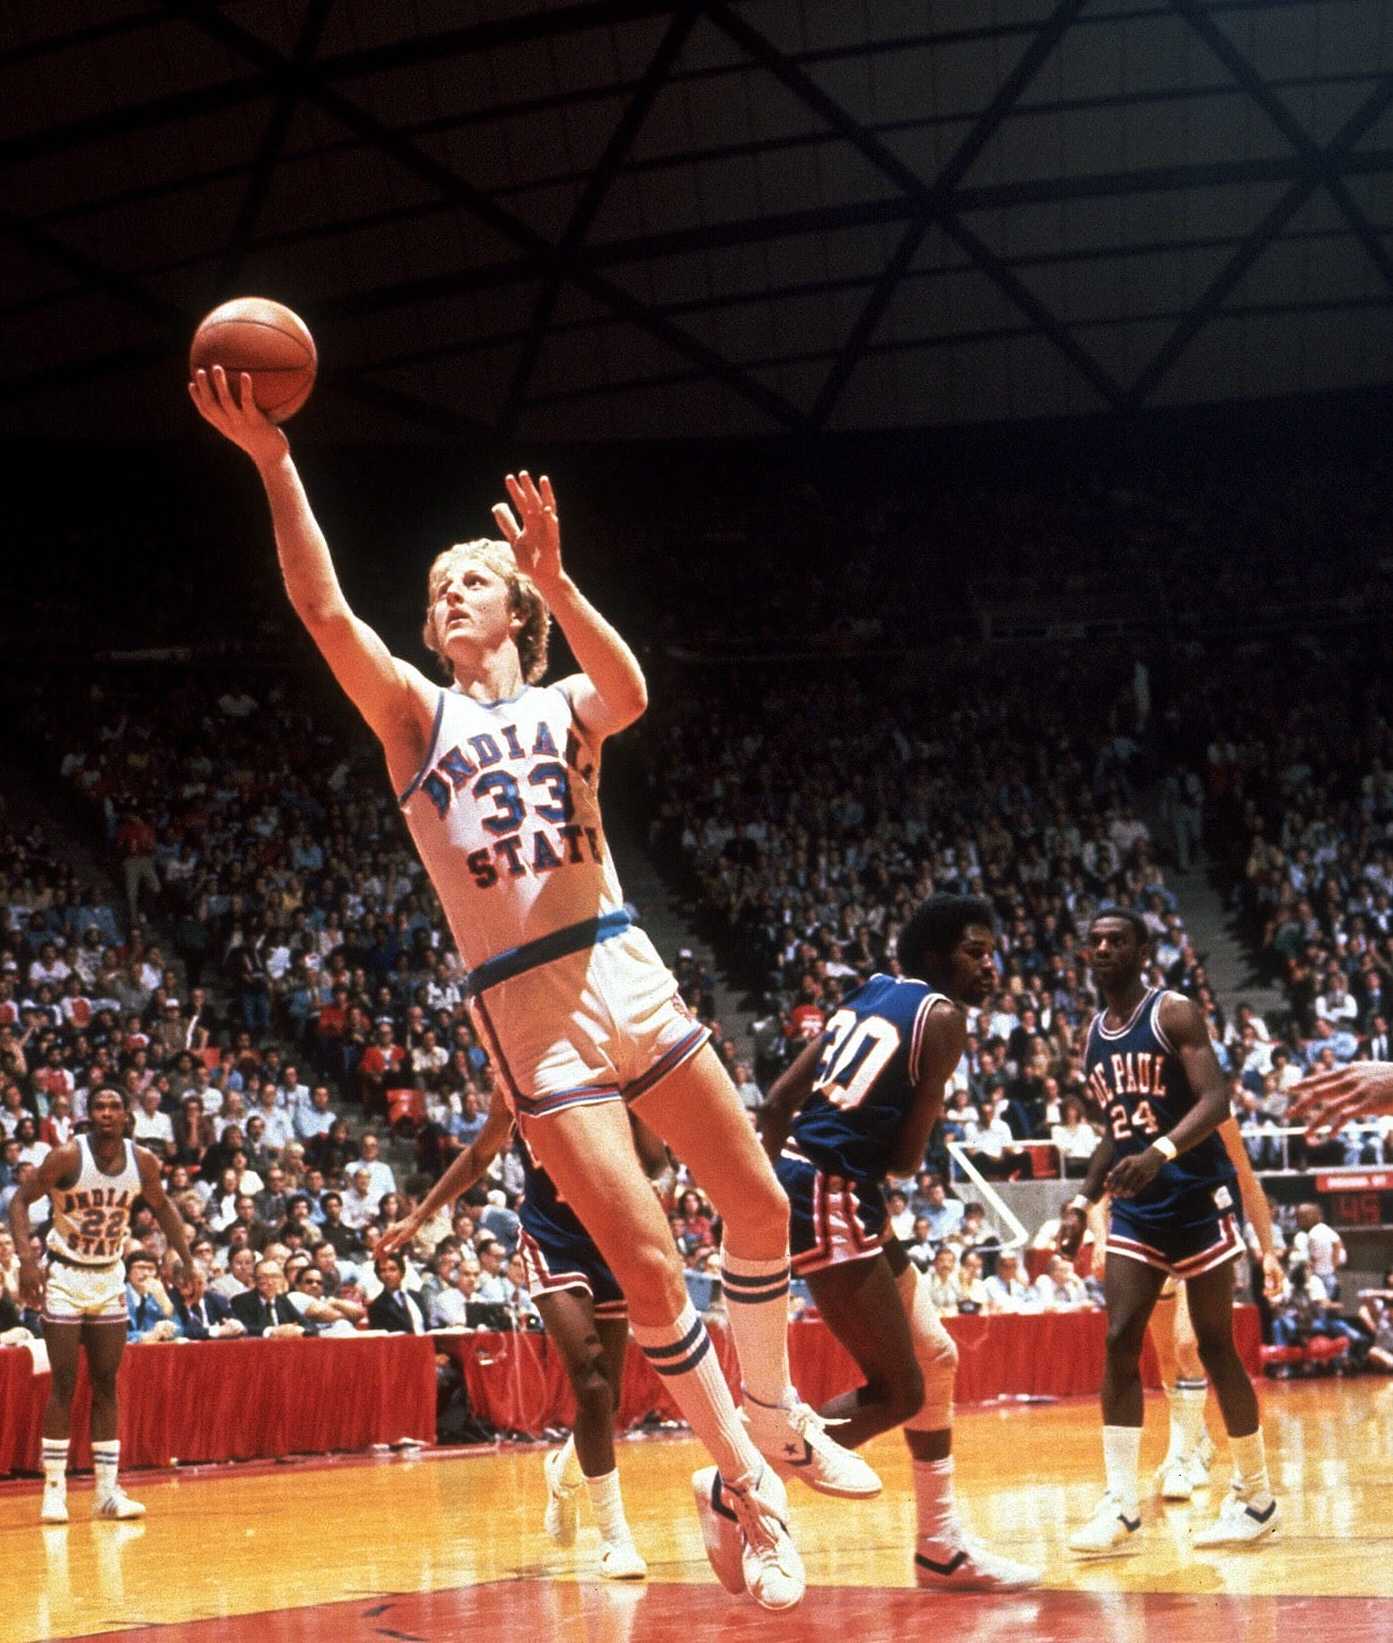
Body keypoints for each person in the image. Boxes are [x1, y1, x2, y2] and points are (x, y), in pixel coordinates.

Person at [194, 364, 877, 1613]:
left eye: (470, 581)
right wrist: (274, 461)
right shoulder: (413, 717)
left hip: (624, 960)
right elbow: (322, 605)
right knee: (655, 1267)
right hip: (525, 1005)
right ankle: (753, 1494)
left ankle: (772, 1422)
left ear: (513, 607)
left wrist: (561, 574)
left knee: (764, 1209)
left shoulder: (568, 696)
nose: (446, 595)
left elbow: (631, 693)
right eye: (438, 585)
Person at [754, 894, 1039, 1593]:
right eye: (977, 953)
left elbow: (776, 1103)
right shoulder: (943, 1019)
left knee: (936, 1356)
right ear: (938, 957)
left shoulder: (873, 991)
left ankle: (940, 1549)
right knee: (900, 1390)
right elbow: (909, 1161)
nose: (991, 967)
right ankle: (741, 1479)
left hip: (813, 1180)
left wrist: (758, 1197)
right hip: (832, 1188)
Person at [1055, 907, 1277, 1556]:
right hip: (1139, 1208)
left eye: (1115, 940)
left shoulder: (1173, 1011)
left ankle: (1257, 1497)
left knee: (1213, 1347)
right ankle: (1122, 1506)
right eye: (1093, 941)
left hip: (1197, 1197)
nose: (1102, 949)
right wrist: (1078, 1200)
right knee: (1120, 1337)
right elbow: (1112, 1134)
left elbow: (1217, 1101)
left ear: (1140, 949)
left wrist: (1160, 1152)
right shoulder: (1093, 1034)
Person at [386, 1072, 661, 1580]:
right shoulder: (515, 1077)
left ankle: (564, 1472)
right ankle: (616, 1538)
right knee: (593, 1385)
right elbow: (477, 1156)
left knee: (608, 1399)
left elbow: (657, 1163)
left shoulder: (613, 1067)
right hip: (552, 1241)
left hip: (612, 1238)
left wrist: (634, 1098)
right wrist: (420, 1216)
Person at [9, 1082, 194, 1524]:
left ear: (127, 1115)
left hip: (110, 1274)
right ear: (88, 1114)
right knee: (65, 1382)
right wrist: (26, 1260)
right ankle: (54, 1490)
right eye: (99, 1106)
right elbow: (19, 1202)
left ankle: (107, 1493)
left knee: (107, 1382)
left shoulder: (143, 1160)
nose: (107, 1112)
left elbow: (164, 1207)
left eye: (115, 1106)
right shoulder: (67, 1156)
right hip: (66, 1274)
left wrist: (185, 1258)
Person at [1141, 1114, 1281, 1501]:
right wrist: (1101, 1236)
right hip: (1150, 1231)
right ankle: (1197, 1440)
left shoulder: (1216, 1113)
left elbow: (1247, 1182)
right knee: (1167, 1358)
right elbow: (1106, 1178)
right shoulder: (1137, 1102)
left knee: (1189, 1345)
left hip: (1204, 1231)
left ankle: (1180, 1457)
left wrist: (1267, 1251)